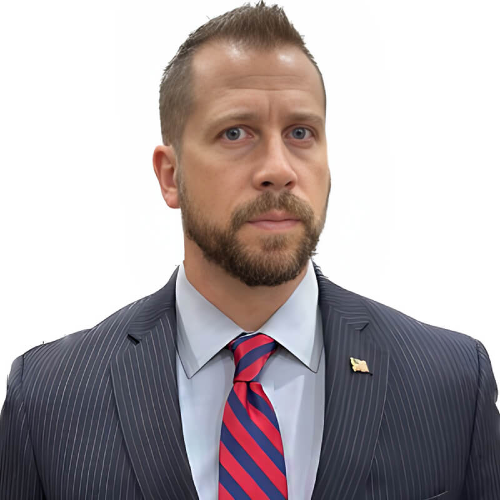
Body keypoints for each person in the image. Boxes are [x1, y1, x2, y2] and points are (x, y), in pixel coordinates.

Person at [1, 1, 499, 499]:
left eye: (301, 133)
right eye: (235, 133)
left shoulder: (452, 383)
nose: (278, 169)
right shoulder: (47, 400)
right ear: (170, 176)